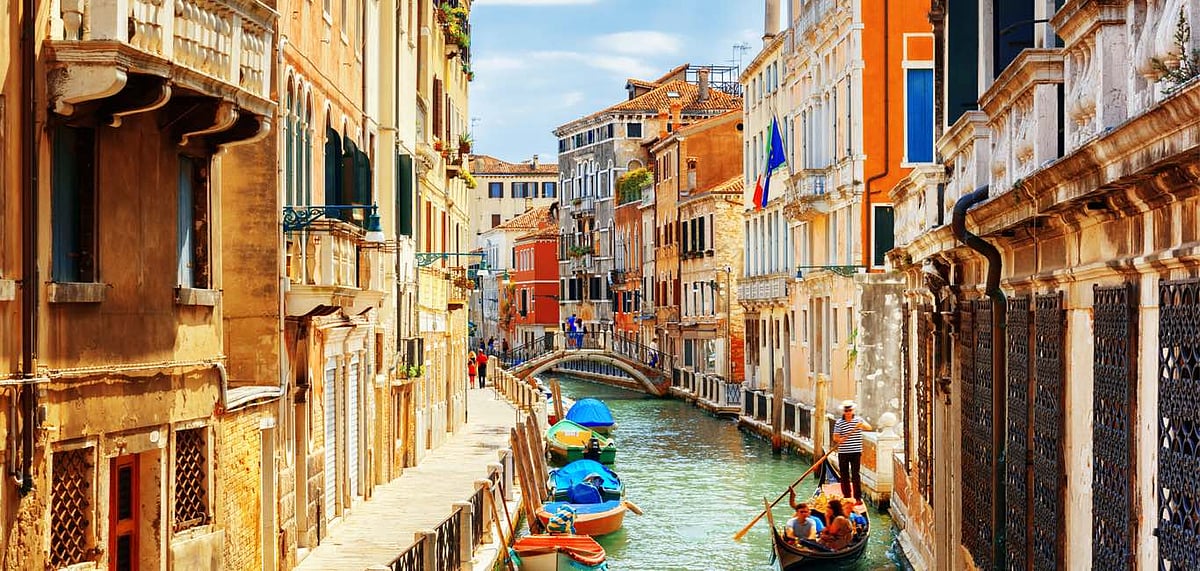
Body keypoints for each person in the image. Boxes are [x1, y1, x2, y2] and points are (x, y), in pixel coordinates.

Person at [832, 400, 873, 506]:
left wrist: (861, 426)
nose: (848, 412)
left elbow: (869, 428)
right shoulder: (839, 422)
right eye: (846, 410)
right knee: (844, 475)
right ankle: (846, 496)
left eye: (850, 410)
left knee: (856, 475)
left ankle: (858, 497)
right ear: (844, 411)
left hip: (856, 452)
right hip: (843, 452)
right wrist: (840, 439)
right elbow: (835, 437)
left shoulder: (858, 420)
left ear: (852, 410)